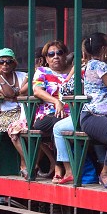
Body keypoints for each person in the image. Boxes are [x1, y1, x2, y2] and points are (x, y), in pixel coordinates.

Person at [66, 32, 107, 189]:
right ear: (104, 48)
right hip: (93, 116)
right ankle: (105, 174)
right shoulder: (101, 66)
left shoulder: (89, 65)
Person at [31, 41, 76, 180]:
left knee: (61, 125)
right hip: (47, 114)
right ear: (46, 59)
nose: (55, 56)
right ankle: (60, 166)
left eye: (59, 53)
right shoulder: (42, 72)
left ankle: (60, 166)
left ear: (65, 55)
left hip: (71, 114)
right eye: (51, 54)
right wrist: (56, 101)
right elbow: (37, 91)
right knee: (58, 124)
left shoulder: (74, 70)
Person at [0, 48, 31, 179]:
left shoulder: (22, 76)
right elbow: (10, 93)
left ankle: (25, 163)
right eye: (1, 62)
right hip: (8, 114)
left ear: (14, 63)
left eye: (8, 62)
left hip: (25, 110)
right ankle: (29, 163)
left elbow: (14, 95)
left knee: (33, 129)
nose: (5, 65)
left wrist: (13, 95)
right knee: (15, 132)